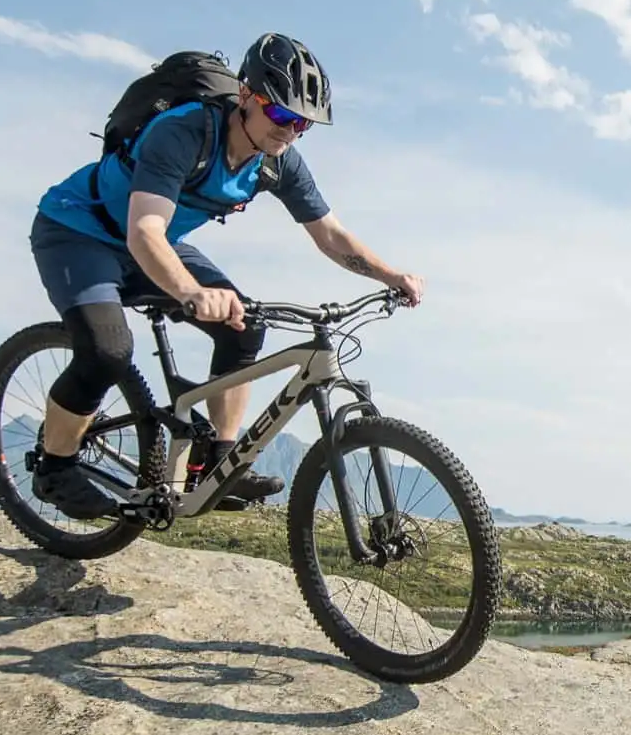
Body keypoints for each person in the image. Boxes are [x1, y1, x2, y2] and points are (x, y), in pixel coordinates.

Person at [26, 33, 422, 519]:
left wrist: (389, 275)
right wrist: (191, 291)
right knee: (107, 350)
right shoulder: (182, 133)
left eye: (302, 123)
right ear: (245, 98)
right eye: (280, 114)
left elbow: (330, 235)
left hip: (154, 242)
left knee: (245, 326)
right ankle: (55, 466)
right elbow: (145, 229)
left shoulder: (277, 163)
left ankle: (219, 464)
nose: (289, 131)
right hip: (79, 231)